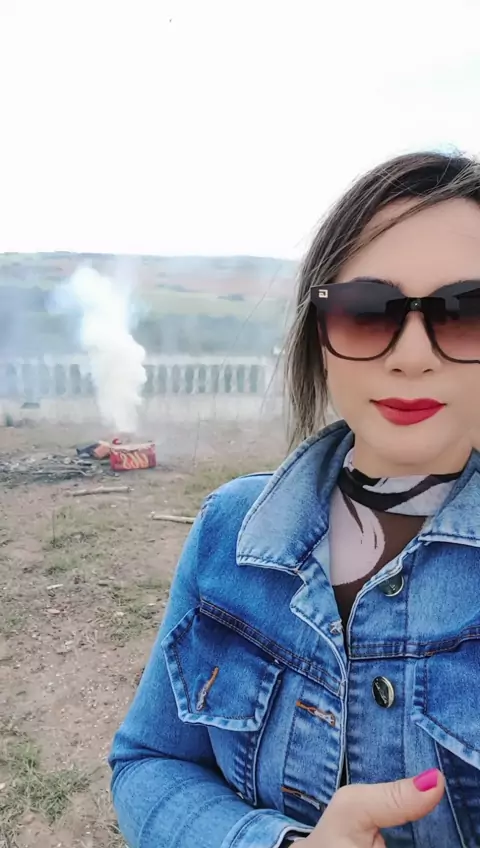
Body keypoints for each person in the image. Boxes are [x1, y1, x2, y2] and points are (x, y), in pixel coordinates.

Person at [109, 150, 480, 848]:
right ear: (321, 334)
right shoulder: (230, 529)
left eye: (466, 312)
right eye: (367, 312)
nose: (412, 355)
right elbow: (149, 762)